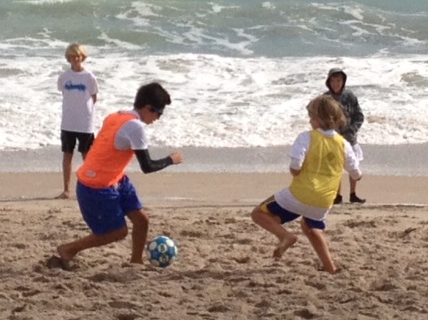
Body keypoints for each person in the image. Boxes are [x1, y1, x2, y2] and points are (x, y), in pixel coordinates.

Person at [50, 82, 183, 270]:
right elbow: (147, 166)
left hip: (116, 179)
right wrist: (171, 159)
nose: (158, 119)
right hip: (95, 186)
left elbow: (98, 145)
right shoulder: (136, 127)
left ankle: (136, 262)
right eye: (159, 113)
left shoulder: (116, 116)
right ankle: (68, 249)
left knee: (141, 220)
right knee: (118, 232)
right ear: (148, 108)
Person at [251, 95, 362, 274]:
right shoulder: (344, 144)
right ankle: (330, 267)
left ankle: (285, 236)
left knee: (258, 213)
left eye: (311, 117)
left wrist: (295, 172)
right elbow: (356, 173)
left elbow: (296, 166)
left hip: (299, 194)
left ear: (318, 119)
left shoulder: (306, 137)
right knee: (311, 228)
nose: (310, 120)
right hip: (325, 200)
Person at [56, 43, 99, 199]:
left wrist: (86, 112)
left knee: (87, 156)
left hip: (85, 123)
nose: (76, 59)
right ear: (68, 58)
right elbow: (63, 93)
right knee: (67, 154)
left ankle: (90, 188)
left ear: (83, 57)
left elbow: (94, 97)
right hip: (68, 122)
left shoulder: (89, 77)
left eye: (78, 56)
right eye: (73, 56)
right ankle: (67, 190)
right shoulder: (64, 77)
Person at [324, 68, 365, 204]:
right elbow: (316, 115)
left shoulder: (350, 96)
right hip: (332, 139)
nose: (336, 84)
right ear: (329, 82)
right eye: (333, 81)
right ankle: (337, 195)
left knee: (353, 165)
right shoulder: (325, 98)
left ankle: (353, 194)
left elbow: (359, 116)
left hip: (349, 138)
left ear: (343, 82)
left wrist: (351, 131)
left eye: (339, 81)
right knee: (336, 167)